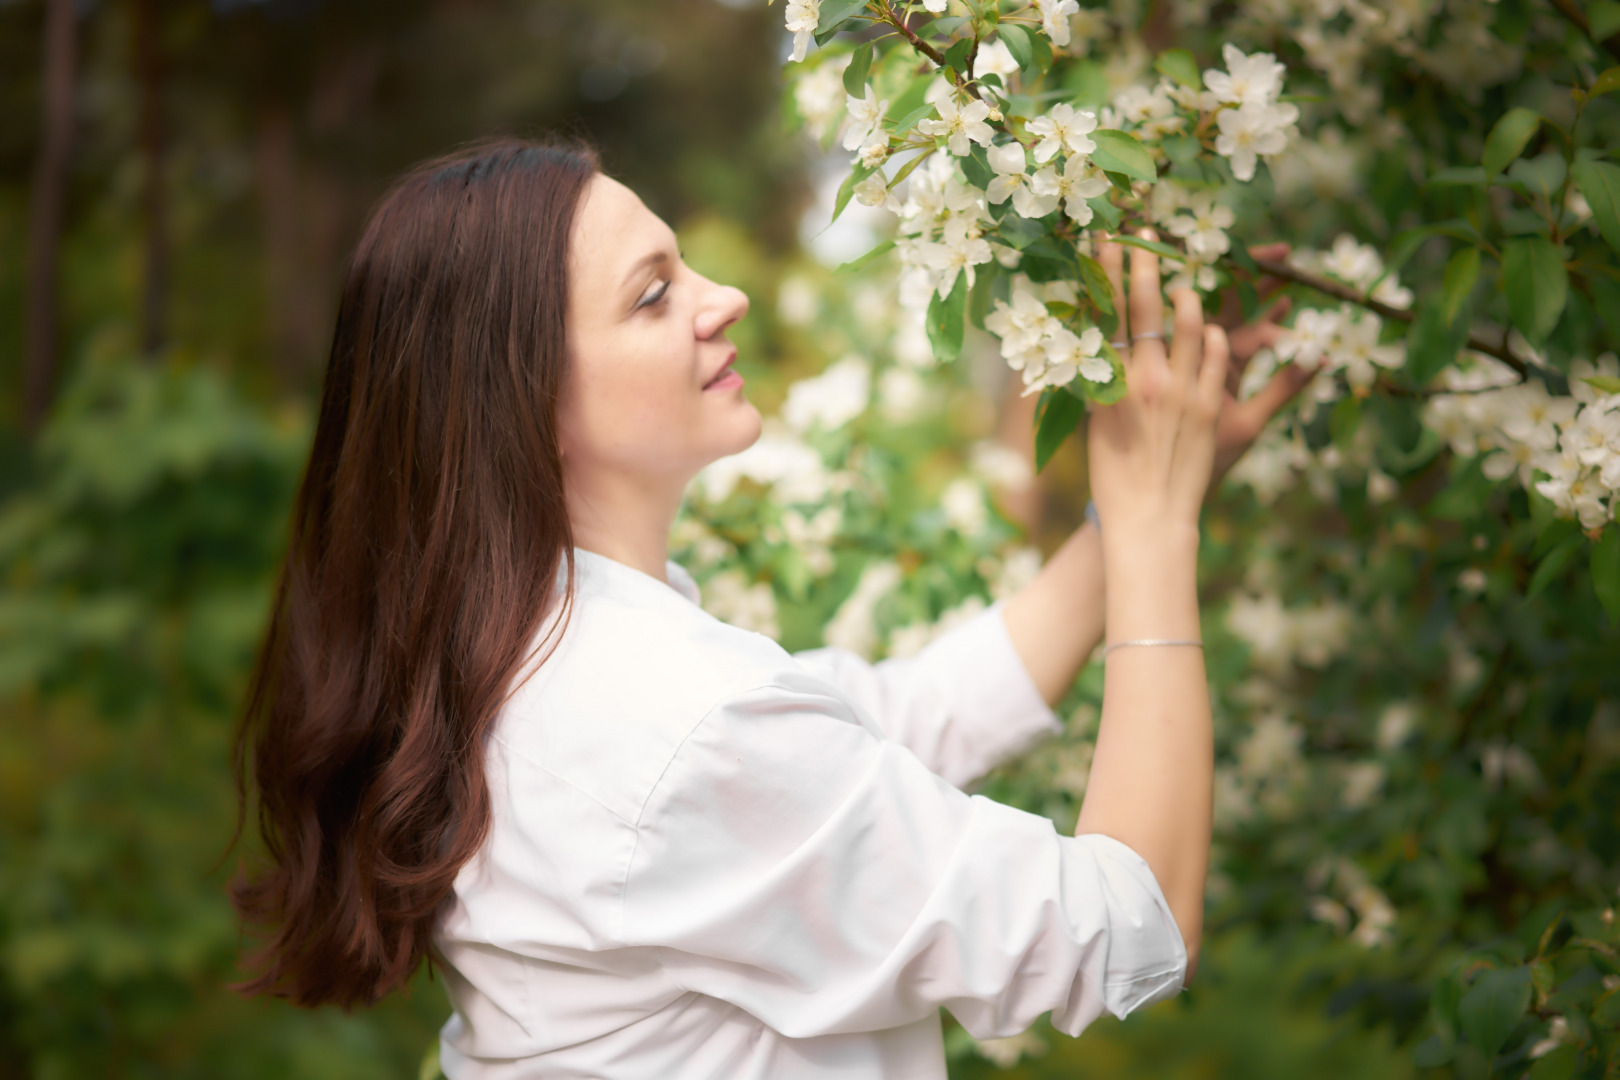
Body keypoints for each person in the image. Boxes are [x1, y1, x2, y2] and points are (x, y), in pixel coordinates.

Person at [232, 138, 1312, 1078]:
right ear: (526, 404)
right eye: (654, 295)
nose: (723, 298)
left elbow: (900, 721)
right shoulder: (668, 722)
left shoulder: (535, 649)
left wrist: (1149, 499)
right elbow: (1126, 924)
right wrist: (1156, 533)